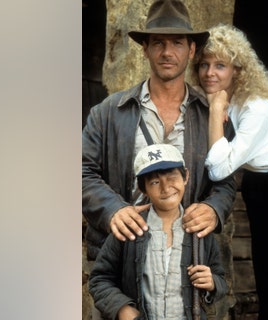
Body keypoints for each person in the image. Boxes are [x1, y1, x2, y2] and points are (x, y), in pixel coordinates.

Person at [82, 0, 236, 271]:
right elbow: (82, 171)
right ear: (145, 49)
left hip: (186, 262)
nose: (167, 52)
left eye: (177, 43)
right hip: (121, 258)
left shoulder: (211, 115)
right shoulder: (107, 112)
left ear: (191, 51)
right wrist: (113, 210)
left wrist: (213, 209)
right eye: (158, 43)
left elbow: (226, 181)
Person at [190, 23, 268, 319]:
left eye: (220, 65)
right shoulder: (224, 102)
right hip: (262, 185)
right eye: (204, 65)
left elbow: (219, 168)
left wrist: (216, 110)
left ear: (237, 70)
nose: (210, 73)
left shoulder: (255, 108)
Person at [89, 144, 228, 320]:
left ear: (186, 176)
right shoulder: (130, 227)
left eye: (172, 177)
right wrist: (124, 309)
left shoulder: (199, 229)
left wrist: (212, 283)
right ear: (142, 188)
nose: (165, 187)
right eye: (154, 182)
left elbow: (221, 280)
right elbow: (99, 280)